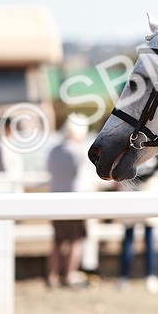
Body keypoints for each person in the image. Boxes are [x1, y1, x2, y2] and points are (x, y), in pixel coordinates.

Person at [46, 116, 93, 288]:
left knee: (57, 242)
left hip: (56, 199)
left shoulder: (54, 150)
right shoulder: (80, 152)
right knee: (75, 241)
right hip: (76, 200)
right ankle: (69, 275)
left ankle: (52, 276)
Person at [116, 156, 158, 294]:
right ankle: (150, 276)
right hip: (146, 189)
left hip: (131, 187)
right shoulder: (152, 150)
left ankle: (124, 277)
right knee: (146, 238)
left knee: (130, 238)